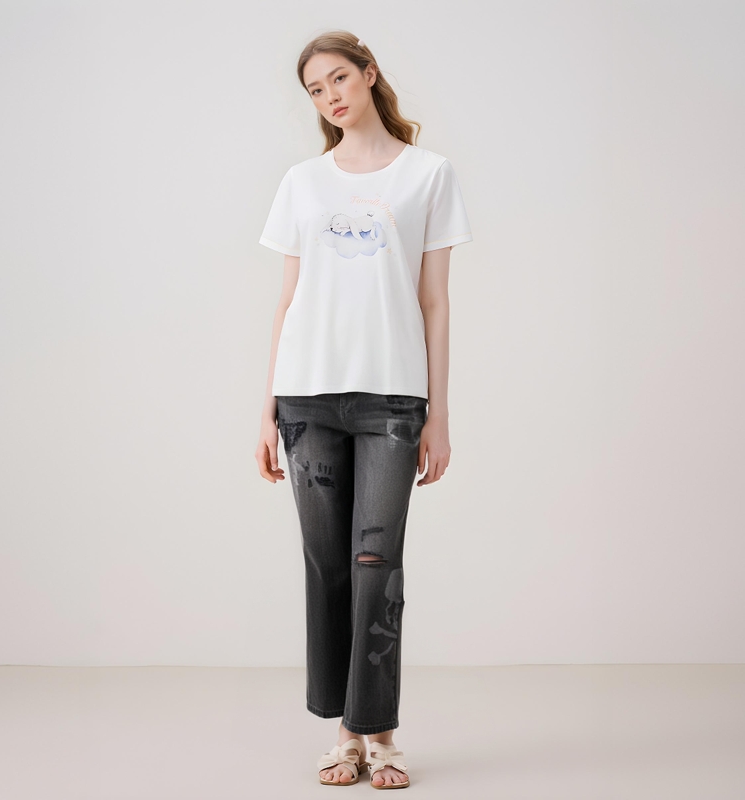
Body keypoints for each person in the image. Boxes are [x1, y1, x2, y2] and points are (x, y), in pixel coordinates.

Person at [254, 30, 473, 790]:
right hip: (306, 397)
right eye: (315, 90)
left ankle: (377, 733)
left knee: (376, 565)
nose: (330, 97)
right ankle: (347, 731)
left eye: (339, 79)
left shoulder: (429, 174)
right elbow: (287, 300)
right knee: (327, 566)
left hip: (391, 399)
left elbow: (435, 302)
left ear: (369, 73)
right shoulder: (302, 183)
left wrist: (438, 415)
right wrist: (265, 410)